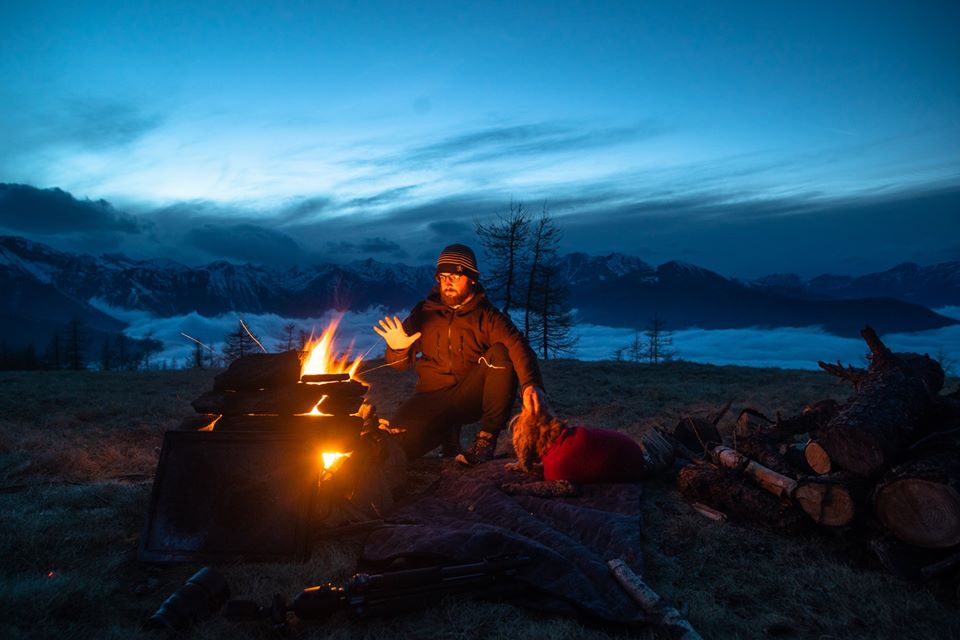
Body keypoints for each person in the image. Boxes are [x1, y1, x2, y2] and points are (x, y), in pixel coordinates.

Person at [374, 243, 548, 465]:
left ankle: (486, 440)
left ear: (472, 279)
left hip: (468, 396)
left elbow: (518, 345)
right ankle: (445, 432)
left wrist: (531, 385)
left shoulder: (487, 317)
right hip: (429, 397)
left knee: (501, 352)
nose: (447, 282)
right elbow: (398, 365)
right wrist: (398, 348)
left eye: (455, 276)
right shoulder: (424, 313)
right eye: (442, 276)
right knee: (397, 451)